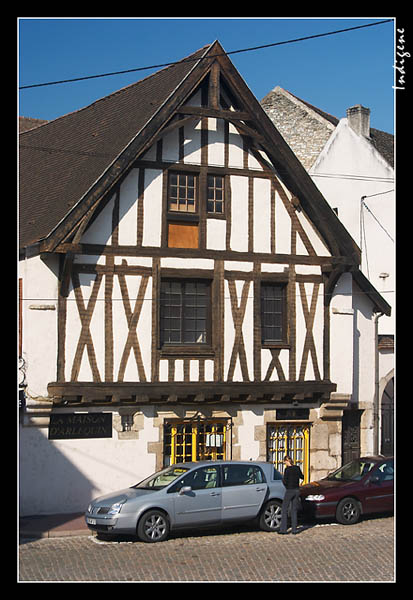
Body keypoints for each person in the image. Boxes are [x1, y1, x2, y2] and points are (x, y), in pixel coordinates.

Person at [279, 455, 304, 534]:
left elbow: (285, 481)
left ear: (287, 461)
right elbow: (302, 476)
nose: (285, 463)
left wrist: (285, 485)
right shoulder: (297, 468)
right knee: (294, 510)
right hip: (296, 490)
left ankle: (283, 529)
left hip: (289, 490)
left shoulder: (287, 470)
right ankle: (294, 529)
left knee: (284, 509)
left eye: (285, 462)